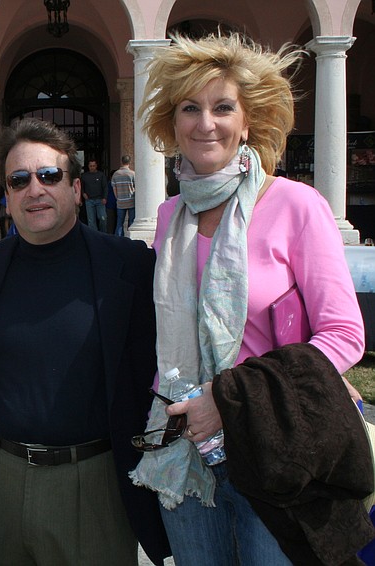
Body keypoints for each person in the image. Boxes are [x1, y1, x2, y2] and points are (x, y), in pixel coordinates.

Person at [129, 33, 366, 566]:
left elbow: (345, 336)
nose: (205, 122)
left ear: (248, 120)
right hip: (183, 448)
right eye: (190, 107)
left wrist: (231, 399)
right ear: (172, 122)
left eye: (222, 107)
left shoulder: (296, 205)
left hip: (275, 446)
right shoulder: (170, 217)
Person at [0, 118, 170, 566]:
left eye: (50, 176)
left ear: (77, 188)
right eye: (19, 180)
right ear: (6, 196)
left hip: (94, 482)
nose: (34, 189)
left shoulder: (130, 267)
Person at [80, 159, 108, 231]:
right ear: (88, 166)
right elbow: (81, 186)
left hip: (100, 200)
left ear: (96, 166)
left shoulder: (101, 175)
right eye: (90, 166)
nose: (92, 167)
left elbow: (105, 187)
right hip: (89, 200)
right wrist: (83, 193)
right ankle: (94, 237)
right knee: (91, 221)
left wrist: (105, 197)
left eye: (93, 166)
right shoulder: (84, 176)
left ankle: (103, 234)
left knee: (103, 218)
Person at [112, 155, 135, 236]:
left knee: (119, 223)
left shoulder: (116, 174)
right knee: (131, 221)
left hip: (120, 201)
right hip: (131, 200)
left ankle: (118, 240)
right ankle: (130, 238)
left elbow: (114, 188)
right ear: (129, 162)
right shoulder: (132, 174)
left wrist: (117, 198)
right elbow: (136, 187)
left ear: (121, 162)